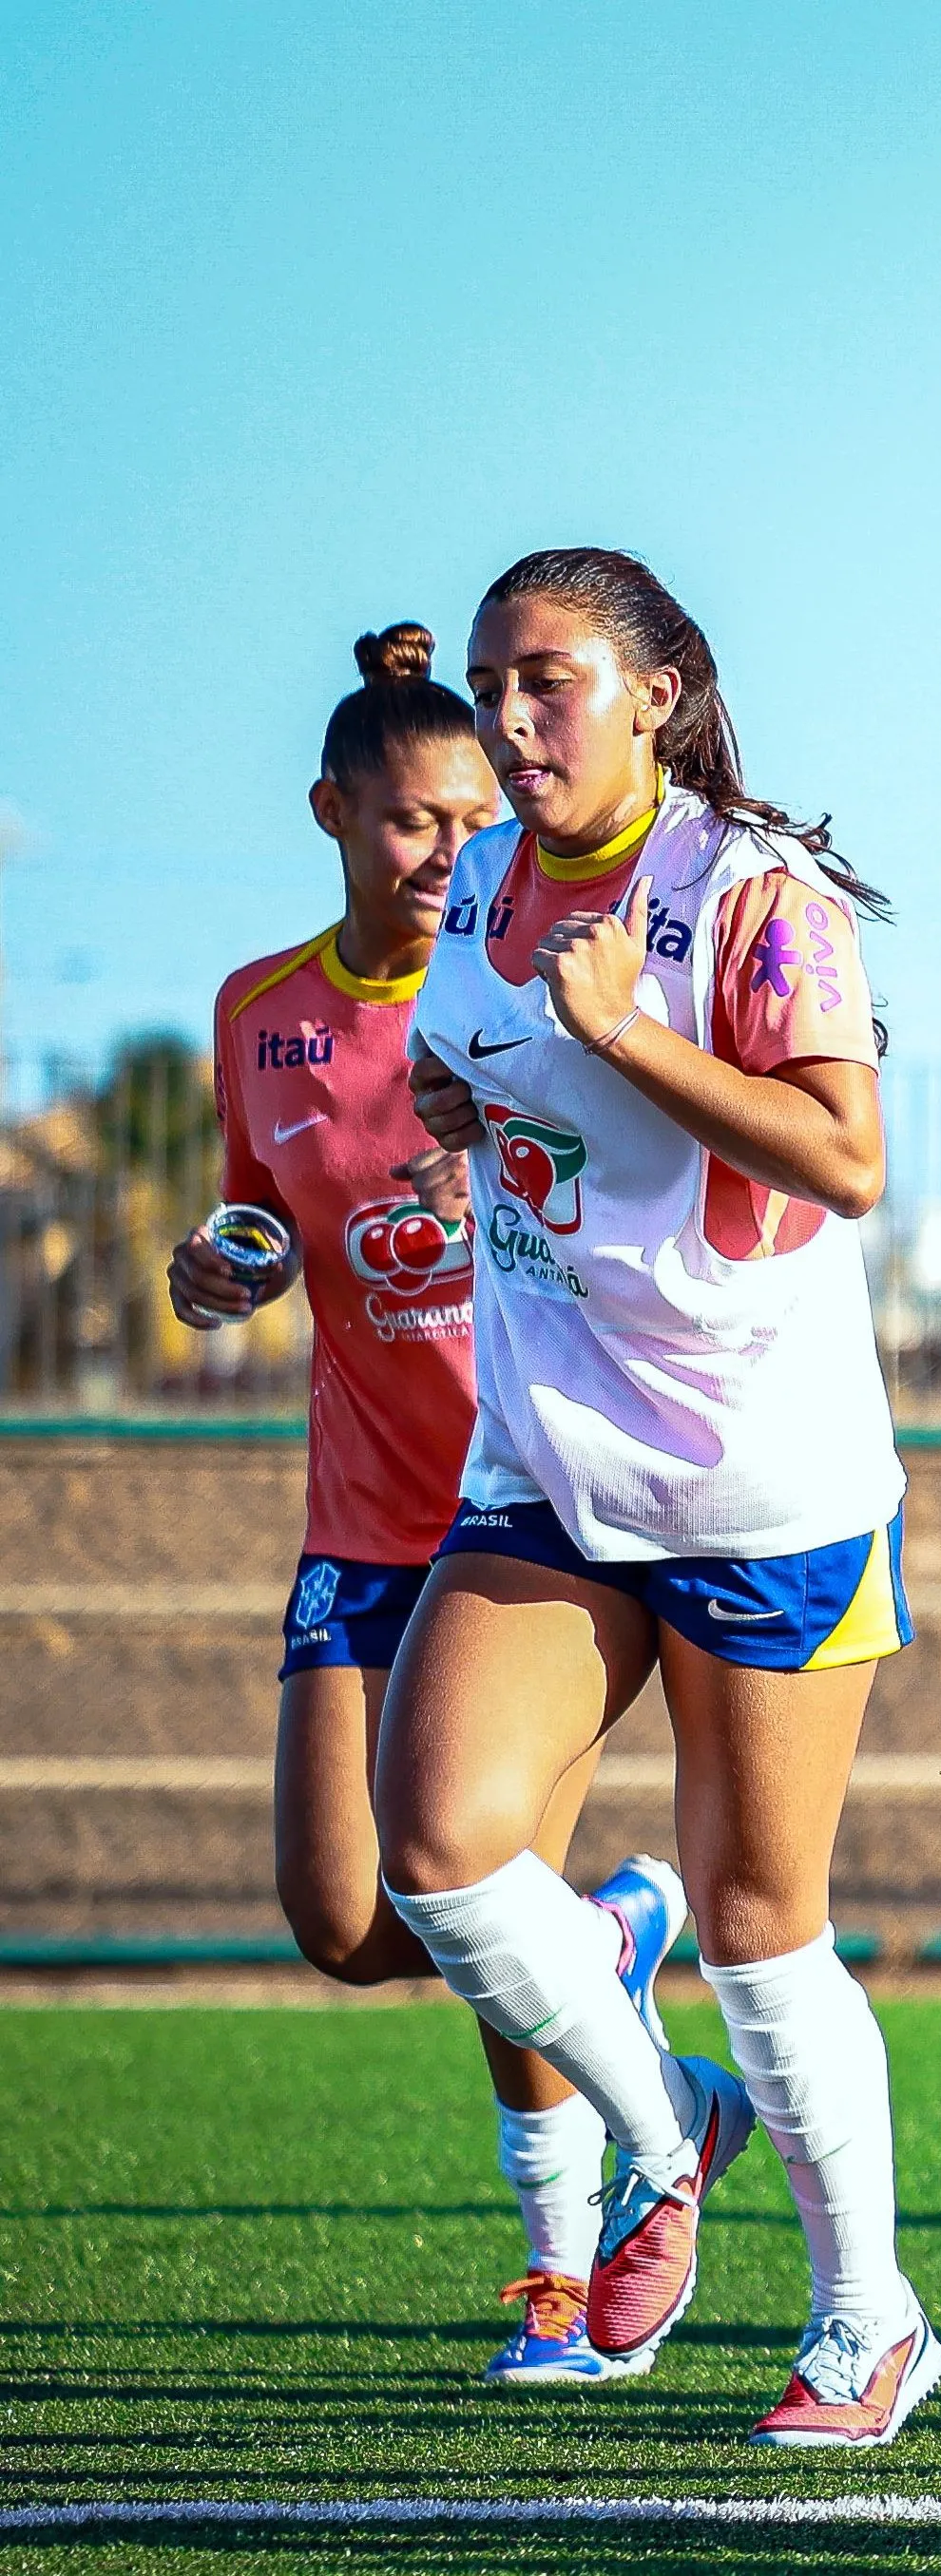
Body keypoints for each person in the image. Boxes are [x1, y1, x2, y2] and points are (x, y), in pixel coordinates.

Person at [382, 547, 940, 2449]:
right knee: (443, 1842)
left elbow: (848, 1155)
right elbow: (477, 1070)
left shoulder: (753, 896)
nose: (513, 718)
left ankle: (869, 2317)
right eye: (491, 685)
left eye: (549, 680)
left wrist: (625, 1030)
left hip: (757, 1470)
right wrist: (481, 1100)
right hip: (542, 1446)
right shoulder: (479, 877)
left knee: (763, 1919)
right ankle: (665, 2113)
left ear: (656, 691)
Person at [168, 625, 684, 2388]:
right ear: (333, 812)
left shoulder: (528, 984)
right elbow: (262, 1217)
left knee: (478, 1885)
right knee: (346, 1922)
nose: (446, 849)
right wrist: (226, 1267)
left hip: (530, 1516)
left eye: (473, 814)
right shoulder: (263, 1014)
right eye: (408, 820)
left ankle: (560, 2278)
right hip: (355, 1519)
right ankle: (614, 1937)